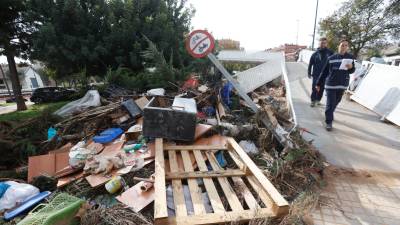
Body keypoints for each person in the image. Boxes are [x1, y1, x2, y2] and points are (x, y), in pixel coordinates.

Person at [316, 39, 355, 131]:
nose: (344, 47)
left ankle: (329, 113)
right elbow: (324, 72)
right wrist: (318, 83)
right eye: (342, 45)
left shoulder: (350, 58)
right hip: (331, 84)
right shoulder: (331, 58)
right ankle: (329, 122)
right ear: (339, 46)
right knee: (330, 104)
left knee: (336, 102)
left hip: (342, 85)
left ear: (347, 47)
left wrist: (351, 67)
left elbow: (351, 71)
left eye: (346, 45)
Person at [308, 37, 333, 107]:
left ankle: (318, 100)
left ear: (326, 44)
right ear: (319, 44)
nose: (322, 44)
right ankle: (313, 101)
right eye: (321, 43)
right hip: (316, 74)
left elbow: (333, 63)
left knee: (321, 89)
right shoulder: (315, 54)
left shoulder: (330, 53)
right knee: (315, 88)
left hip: (325, 75)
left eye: (324, 43)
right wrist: (309, 72)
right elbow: (310, 64)